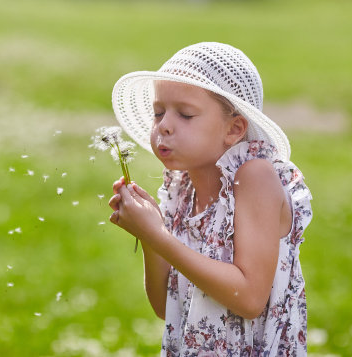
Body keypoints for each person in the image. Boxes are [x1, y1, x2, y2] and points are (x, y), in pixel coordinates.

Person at [108, 42, 313, 356]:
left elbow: (248, 299)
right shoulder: (180, 189)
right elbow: (167, 307)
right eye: (158, 112)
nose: (163, 125)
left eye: (186, 115)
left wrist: (156, 235)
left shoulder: (254, 177)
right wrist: (149, 235)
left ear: (233, 129)